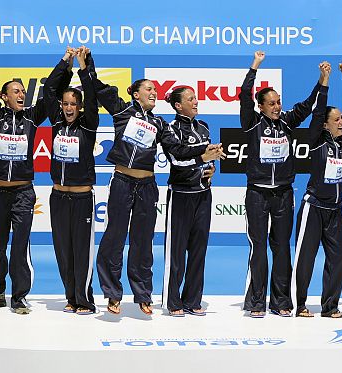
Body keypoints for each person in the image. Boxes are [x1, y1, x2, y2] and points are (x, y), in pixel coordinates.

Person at [92, 73, 223, 316]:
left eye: (155, 90)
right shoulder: (122, 112)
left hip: (147, 186)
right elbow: (99, 88)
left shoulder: (160, 123)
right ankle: (112, 293)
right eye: (148, 89)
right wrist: (85, 65)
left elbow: (177, 149)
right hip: (121, 182)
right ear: (135, 93)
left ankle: (142, 295)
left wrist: (205, 150)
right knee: (115, 237)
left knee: (143, 241)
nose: (153, 93)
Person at [0, 43, 71, 314]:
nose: (21, 94)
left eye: (22, 91)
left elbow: (51, 91)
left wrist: (65, 62)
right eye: (15, 91)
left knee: (20, 246)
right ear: (4, 97)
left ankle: (19, 296)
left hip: (22, 193)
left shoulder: (32, 118)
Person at [240, 51, 328, 318]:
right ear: (261, 107)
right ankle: (256, 301)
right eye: (272, 104)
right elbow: (245, 96)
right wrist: (254, 67)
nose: (278, 107)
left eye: (279, 102)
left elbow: (308, 105)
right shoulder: (252, 122)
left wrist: (322, 80)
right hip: (257, 193)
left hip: (283, 194)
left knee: (281, 248)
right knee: (258, 247)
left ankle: (280, 301)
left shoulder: (288, 123)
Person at [292, 62, 342, 319]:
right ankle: (300, 303)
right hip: (314, 207)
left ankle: (330, 306)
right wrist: (325, 81)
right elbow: (317, 113)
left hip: (335, 212)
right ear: (326, 124)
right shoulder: (316, 140)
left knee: (338, 258)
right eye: (336, 119)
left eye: (341, 119)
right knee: (306, 259)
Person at [44, 46, 100, 315]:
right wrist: (64, 61)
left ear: (79, 107)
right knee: (63, 250)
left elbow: (92, 96)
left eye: (72, 104)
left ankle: (84, 299)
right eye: (65, 104)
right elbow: (48, 91)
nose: (68, 108)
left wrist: (84, 65)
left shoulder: (88, 124)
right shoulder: (56, 123)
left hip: (81, 197)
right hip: (58, 197)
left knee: (81, 251)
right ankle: (70, 297)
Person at [161, 87, 219, 317]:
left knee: (198, 250)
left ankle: (193, 299)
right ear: (178, 105)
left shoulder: (203, 126)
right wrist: (202, 157)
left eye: (195, 97)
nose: (196, 101)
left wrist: (211, 167)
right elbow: (177, 159)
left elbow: (207, 156)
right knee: (176, 251)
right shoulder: (171, 128)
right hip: (181, 195)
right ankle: (173, 301)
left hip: (203, 194)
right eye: (190, 99)